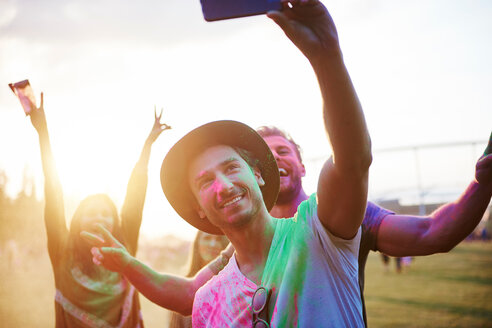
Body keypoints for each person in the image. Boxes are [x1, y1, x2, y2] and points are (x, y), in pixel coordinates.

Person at [88, 0, 372, 326]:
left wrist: (326, 58)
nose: (223, 186)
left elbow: (353, 161)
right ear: (199, 209)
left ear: (258, 175)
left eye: (232, 168)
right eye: (205, 182)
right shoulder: (208, 302)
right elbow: (181, 292)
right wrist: (126, 263)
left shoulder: (318, 233)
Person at [256, 125, 492, 325]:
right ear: (254, 173)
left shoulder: (342, 211)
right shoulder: (245, 238)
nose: (275, 156)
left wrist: (482, 184)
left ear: (302, 167)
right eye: (265, 153)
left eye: (283, 150)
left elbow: (432, 232)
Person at [28, 93, 170, 328]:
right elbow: (53, 192)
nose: (99, 219)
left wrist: (148, 146)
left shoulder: (124, 245)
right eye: (90, 213)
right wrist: (43, 133)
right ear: (78, 220)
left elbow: (135, 197)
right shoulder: (62, 251)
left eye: (105, 213)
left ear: (115, 222)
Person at [168, 231, 229, 328]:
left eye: (218, 239)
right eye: (207, 238)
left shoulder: (231, 285)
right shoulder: (183, 287)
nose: (213, 244)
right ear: (197, 244)